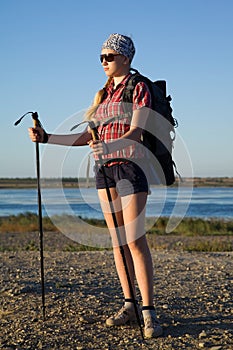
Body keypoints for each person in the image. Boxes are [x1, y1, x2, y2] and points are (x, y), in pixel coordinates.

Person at [28, 33, 163, 339]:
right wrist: (47, 137)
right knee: (117, 241)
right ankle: (129, 306)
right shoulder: (102, 93)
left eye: (109, 56)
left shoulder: (137, 87)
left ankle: (149, 312)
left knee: (134, 240)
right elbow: (89, 138)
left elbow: (136, 132)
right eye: (101, 57)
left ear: (125, 58)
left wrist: (110, 146)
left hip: (130, 167)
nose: (104, 62)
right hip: (103, 170)